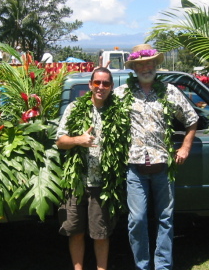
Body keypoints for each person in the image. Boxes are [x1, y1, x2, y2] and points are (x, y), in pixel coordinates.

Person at [113, 44, 199, 270]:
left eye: (149, 63)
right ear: (134, 68)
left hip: (163, 167)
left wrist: (185, 147)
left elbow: (191, 119)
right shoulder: (122, 93)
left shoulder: (170, 91)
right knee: (137, 220)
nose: (145, 67)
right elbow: (100, 109)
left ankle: (162, 266)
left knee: (165, 219)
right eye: (140, 64)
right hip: (135, 169)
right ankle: (142, 265)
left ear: (155, 65)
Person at [56, 68, 122, 270]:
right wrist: (78, 140)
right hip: (76, 182)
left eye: (106, 83)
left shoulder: (117, 112)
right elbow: (60, 141)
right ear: (90, 85)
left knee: (100, 234)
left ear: (111, 87)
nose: (101, 87)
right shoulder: (74, 108)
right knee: (75, 232)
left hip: (102, 184)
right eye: (97, 83)